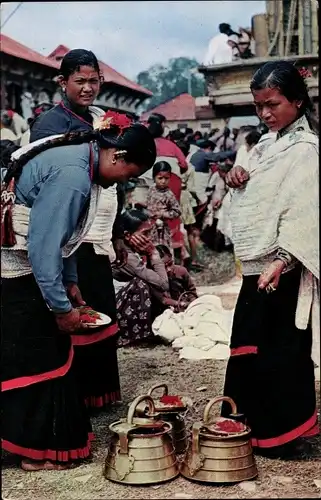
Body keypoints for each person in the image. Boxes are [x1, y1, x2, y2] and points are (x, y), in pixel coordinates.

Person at [1, 118, 156, 471]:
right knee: (40, 357)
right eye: (129, 173)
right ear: (117, 156)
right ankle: (32, 450)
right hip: (16, 270)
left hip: (28, 267)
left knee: (45, 354)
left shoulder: (83, 161)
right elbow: (43, 248)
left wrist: (70, 282)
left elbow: (68, 237)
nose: (124, 181)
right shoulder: (73, 175)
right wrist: (60, 308)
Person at [222, 61, 319, 458]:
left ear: (297, 101)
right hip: (256, 264)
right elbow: (255, 201)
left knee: (280, 349)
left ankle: (284, 434)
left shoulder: (306, 151)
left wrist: (283, 260)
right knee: (249, 343)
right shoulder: (263, 146)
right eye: (258, 105)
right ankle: (251, 425)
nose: (264, 113)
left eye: (272, 104)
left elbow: (304, 212)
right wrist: (237, 179)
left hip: (283, 267)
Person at [29, 49, 126, 411]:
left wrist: (118, 230)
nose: (88, 88)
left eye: (93, 80)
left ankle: (102, 393)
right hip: (65, 226)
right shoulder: (49, 124)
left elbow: (118, 176)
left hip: (98, 226)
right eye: (80, 81)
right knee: (74, 305)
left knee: (98, 304)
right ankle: (76, 396)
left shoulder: (105, 119)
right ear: (63, 82)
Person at [112, 209, 170, 347]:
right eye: (145, 234)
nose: (149, 238)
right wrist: (153, 253)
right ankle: (135, 336)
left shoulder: (130, 251)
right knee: (141, 284)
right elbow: (163, 284)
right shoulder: (126, 256)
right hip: (115, 308)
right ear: (127, 235)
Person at [146, 113, 188, 255]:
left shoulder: (144, 144)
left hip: (146, 187)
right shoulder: (172, 146)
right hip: (171, 186)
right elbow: (184, 165)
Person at [146, 161, 182, 251]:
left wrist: (162, 214)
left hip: (161, 230)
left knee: (161, 252)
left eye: (166, 178)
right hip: (149, 226)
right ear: (154, 177)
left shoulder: (168, 195)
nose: (163, 181)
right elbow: (149, 204)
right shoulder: (151, 189)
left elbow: (177, 211)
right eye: (160, 178)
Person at [155, 244, 198, 311]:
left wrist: (192, 304)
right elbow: (161, 299)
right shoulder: (153, 277)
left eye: (170, 264)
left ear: (171, 257)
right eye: (164, 267)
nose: (168, 269)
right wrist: (177, 304)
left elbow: (191, 291)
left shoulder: (181, 271)